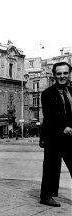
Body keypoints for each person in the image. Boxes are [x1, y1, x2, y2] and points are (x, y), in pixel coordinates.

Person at [39, 62, 72, 207]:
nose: (62, 76)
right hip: (53, 136)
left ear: (69, 74)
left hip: (71, 136)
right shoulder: (47, 93)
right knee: (51, 167)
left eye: (65, 73)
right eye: (59, 74)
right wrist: (62, 128)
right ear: (54, 75)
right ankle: (46, 196)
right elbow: (49, 117)